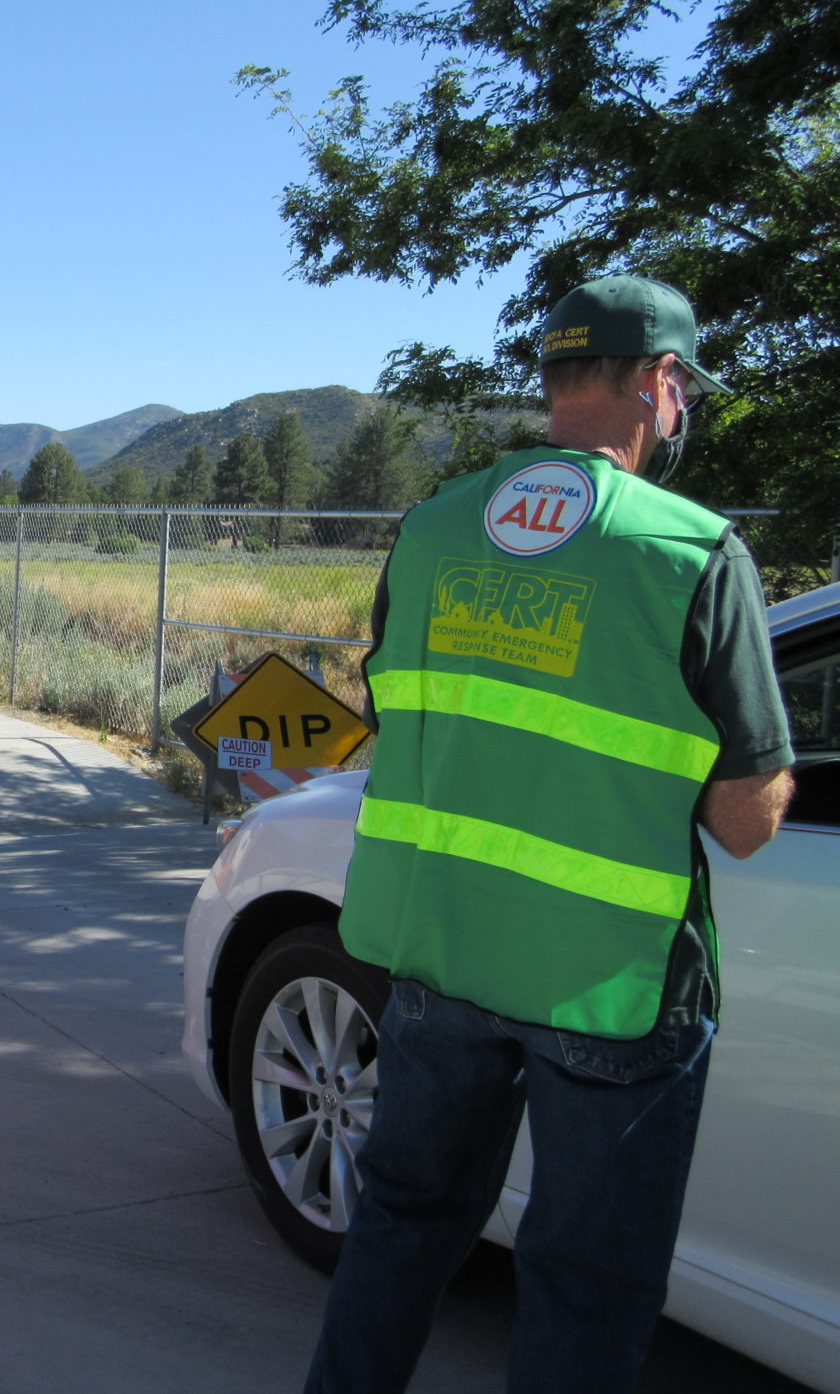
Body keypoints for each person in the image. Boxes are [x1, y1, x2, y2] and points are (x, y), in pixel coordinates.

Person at [303, 275, 796, 1393]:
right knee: (587, 1279)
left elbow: (411, 720)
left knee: (402, 1227)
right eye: (681, 390)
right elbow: (748, 821)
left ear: (556, 382)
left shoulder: (430, 533)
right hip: (609, 996)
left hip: (442, 957)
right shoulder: (690, 554)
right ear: (661, 386)